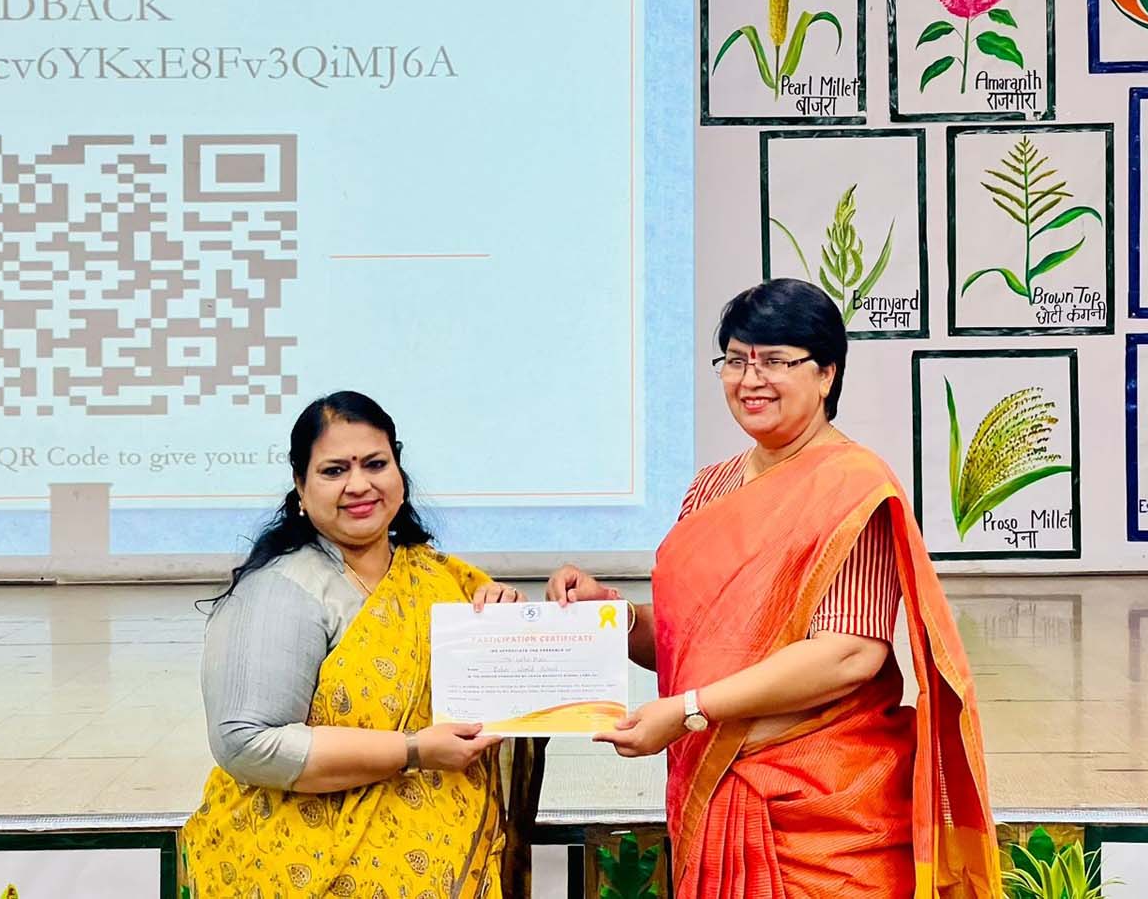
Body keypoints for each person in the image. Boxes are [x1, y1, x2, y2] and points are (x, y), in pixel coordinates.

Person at [548, 279, 1001, 898]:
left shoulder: (851, 487)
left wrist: (689, 711)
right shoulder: (710, 488)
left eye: (776, 361)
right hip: (716, 788)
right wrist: (613, 616)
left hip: (824, 816)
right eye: (736, 360)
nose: (750, 379)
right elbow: (691, 646)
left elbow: (849, 654)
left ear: (826, 374)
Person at [182, 391, 523, 899]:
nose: (359, 484)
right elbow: (246, 743)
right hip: (299, 866)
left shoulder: (440, 578)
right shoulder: (281, 589)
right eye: (334, 470)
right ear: (301, 487)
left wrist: (507, 621)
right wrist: (413, 750)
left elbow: (496, 699)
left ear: (399, 474)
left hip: (443, 862)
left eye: (375, 464)